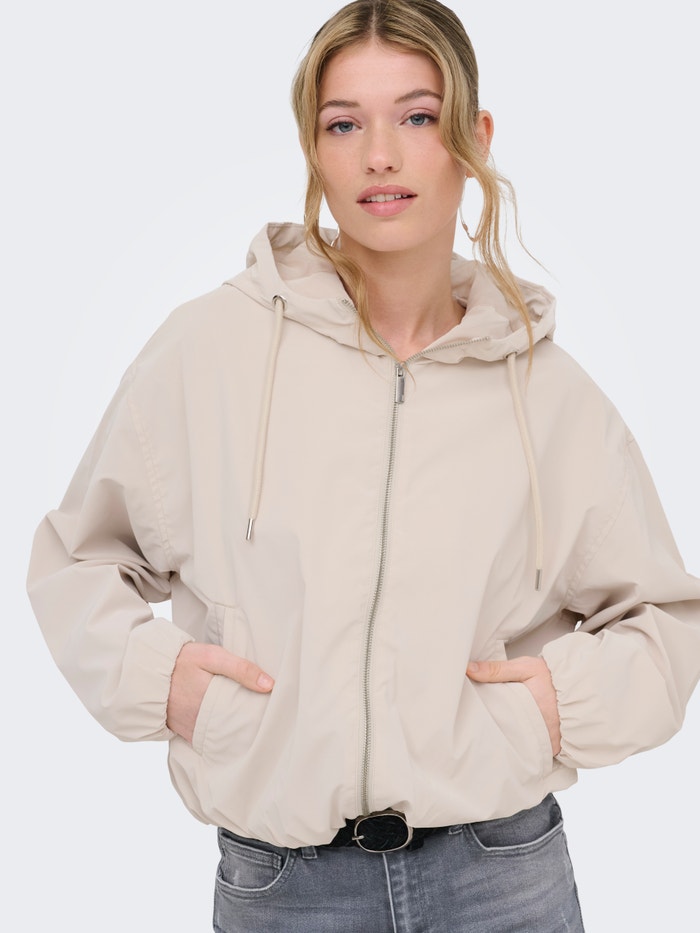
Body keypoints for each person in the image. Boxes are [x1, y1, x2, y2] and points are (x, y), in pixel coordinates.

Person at [26, 1, 700, 930]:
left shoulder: (549, 393)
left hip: (501, 878)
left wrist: (554, 708)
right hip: (282, 885)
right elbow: (78, 561)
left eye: (417, 116)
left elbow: (662, 621)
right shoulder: (210, 352)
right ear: (314, 148)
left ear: (473, 137)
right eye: (344, 124)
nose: (380, 155)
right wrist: (164, 683)